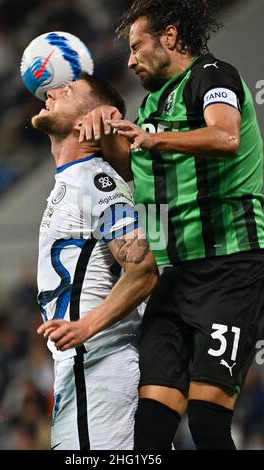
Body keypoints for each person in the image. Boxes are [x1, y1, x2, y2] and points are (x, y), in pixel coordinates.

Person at [78, 0, 264, 450]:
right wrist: (107, 133)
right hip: (173, 272)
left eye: (137, 46)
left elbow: (226, 136)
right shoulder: (151, 104)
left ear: (171, 37)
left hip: (229, 267)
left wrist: (153, 136)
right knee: (153, 425)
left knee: (206, 419)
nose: (130, 60)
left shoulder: (213, 75)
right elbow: (136, 169)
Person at [32, 73, 159, 450]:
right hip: (83, 371)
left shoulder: (94, 181)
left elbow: (144, 270)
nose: (51, 92)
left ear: (88, 122)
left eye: (66, 91)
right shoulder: (74, 180)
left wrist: (86, 327)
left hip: (100, 367)